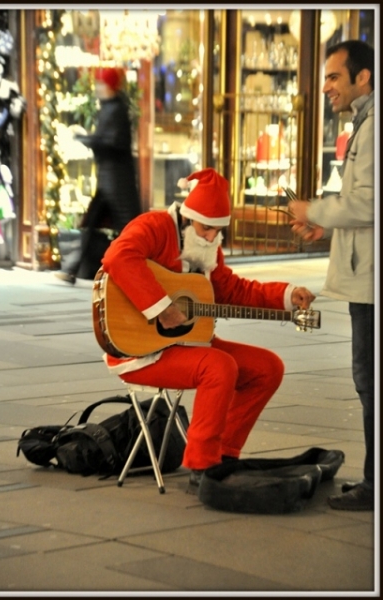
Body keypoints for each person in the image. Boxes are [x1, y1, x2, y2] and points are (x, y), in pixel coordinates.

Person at [100, 167, 316, 494]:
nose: (212, 238)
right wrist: (161, 307)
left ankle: (224, 456)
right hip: (138, 350)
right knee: (219, 366)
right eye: (206, 228)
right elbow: (117, 257)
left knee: (267, 368)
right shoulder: (155, 226)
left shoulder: (206, 247)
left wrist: (286, 295)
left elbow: (232, 291)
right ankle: (201, 465)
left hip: (187, 343)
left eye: (218, 231)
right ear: (187, 217)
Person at [288, 40, 374, 511]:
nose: (325, 88)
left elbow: (366, 202)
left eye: (334, 77)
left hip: (373, 281)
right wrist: (325, 225)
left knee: (370, 379)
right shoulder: (366, 122)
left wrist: (314, 208)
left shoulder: (374, 124)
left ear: (363, 77)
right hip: (368, 274)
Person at [55, 66, 141, 284]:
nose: (98, 89)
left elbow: (111, 143)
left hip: (118, 184)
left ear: (110, 86)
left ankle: (138, 270)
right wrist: (89, 139)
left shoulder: (116, 110)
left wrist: (84, 139)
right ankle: (73, 269)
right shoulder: (111, 108)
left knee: (127, 230)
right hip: (110, 182)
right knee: (94, 225)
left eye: (102, 84)